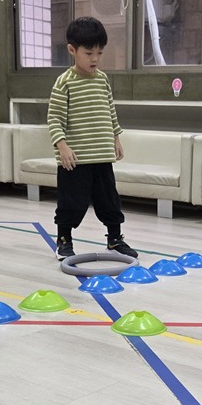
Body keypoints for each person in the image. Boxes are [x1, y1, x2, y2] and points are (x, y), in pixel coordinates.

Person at [48, 17, 138, 261]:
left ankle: (114, 239)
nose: (95, 58)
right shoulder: (64, 82)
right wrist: (62, 146)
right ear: (72, 50)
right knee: (71, 202)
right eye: (89, 53)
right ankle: (64, 240)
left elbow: (110, 111)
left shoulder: (102, 79)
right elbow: (54, 119)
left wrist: (116, 138)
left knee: (109, 200)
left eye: (99, 52)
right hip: (75, 160)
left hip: (102, 156)